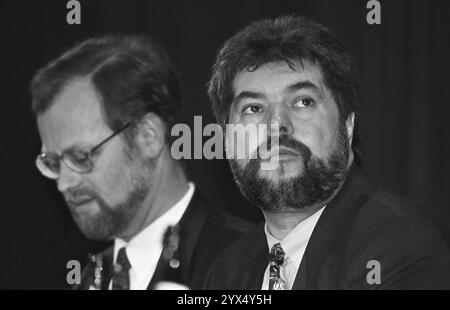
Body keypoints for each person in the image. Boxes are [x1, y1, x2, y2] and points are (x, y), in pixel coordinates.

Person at [204, 16, 450, 289]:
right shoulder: (227, 272)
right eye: (254, 108)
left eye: (302, 102)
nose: (276, 126)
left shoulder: (403, 246)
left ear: (347, 125)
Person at [31, 35, 250, 290]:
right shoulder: (89, 280)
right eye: (53, 162)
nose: (64, 183)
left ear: (148, 136)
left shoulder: (248, 265)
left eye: (81, 157)